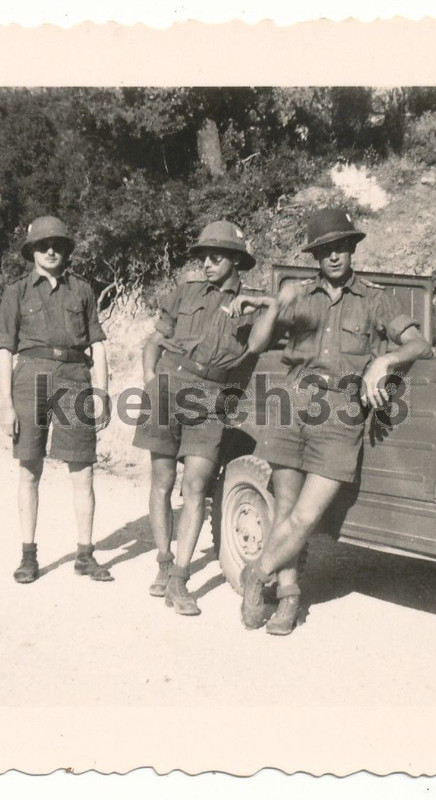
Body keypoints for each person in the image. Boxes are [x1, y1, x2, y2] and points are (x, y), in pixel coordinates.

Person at [230, 208, 432, 634]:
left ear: (352, 249)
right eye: (325, 250)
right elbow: (256, 343)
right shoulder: (299, 295)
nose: (334, 256)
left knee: (306, 518)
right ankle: (288, 597)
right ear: (316, 256)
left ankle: (256, 572)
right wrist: (275, 306)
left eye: (341, 247)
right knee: (283, 507)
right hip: (293, 401)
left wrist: (385, 361)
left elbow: (419, 342)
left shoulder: (376, 299)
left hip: (341, 410)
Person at [133, 221, 262, 616]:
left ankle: (181, 580)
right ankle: (163, 561)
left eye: (216, 256)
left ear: (237, 260)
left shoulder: (252, 306)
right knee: (162, 481)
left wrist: (265, 304)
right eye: (203, 256)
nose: (207, 263)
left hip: (210, 396)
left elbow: (286, 313)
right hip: (167, 387)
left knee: (196, 485)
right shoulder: (185, 292)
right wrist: (152, 380)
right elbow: (154, 341)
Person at [0, 215, 113, 584]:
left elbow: (98, 344)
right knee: (30, 469)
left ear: (66, 250)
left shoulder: (82, 290)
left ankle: (85, 554)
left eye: (57, 245)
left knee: (83, 470)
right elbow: (3, 350)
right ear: (31, 251)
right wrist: (6, 403)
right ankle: (28, 556)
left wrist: (103, 392)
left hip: (76, 379)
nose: (50, 250)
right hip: (30, 379)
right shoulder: (16, 292)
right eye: (43, 245)